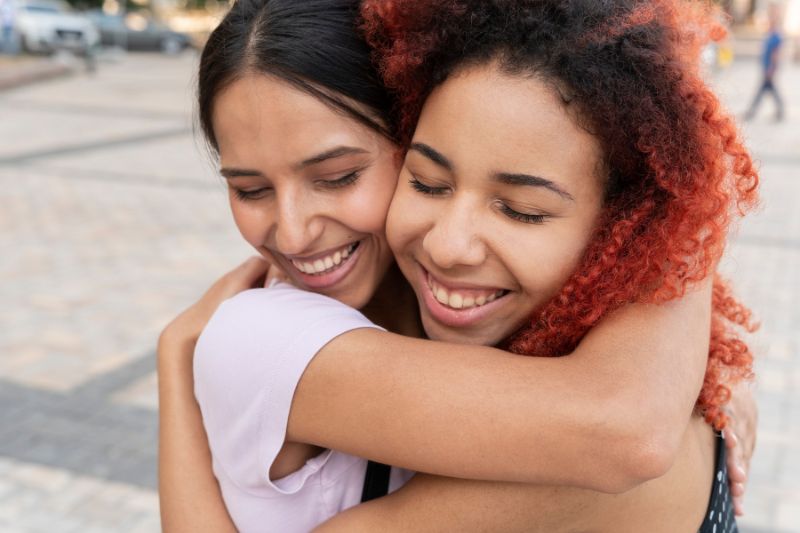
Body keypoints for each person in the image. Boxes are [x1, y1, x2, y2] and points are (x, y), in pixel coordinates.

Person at [157, 0, 758, 531]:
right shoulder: (265, 335)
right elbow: (627, 429)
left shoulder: (608, 373)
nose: (291, 231)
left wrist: (678, 225)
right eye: (250, 189)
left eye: (339, 177)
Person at [745, 2, 786, 121]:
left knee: (763, 90)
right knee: (769, 90)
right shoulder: (769, 34)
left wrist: (771, 69)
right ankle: (779, 111)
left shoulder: (776, 35)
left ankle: (752, 112)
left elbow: (776, 54)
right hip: (766, 67)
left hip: (769, 68)